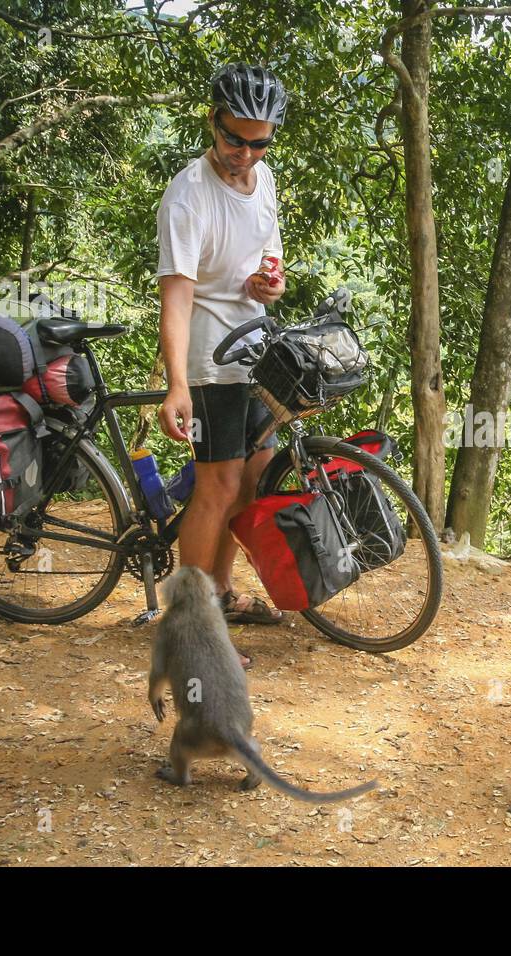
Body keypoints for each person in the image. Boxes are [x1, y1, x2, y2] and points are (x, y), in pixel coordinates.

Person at [155, 63, 289, 640]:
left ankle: (223, 592)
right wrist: (178, 382)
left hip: (256, 350)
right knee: (218, 486)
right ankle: (188, 623)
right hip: (209, 356)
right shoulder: (189, 194)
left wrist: (269, 286)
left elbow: (268, 263)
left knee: (256, 481)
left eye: (259, 142)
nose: (246, 153)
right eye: (234, 138)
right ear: (213, 122)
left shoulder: (265, 181)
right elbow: (178, 296)